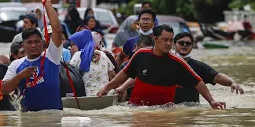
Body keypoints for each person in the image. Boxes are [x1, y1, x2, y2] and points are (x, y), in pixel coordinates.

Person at [97, 24, 226, 109]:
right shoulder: (141, 55)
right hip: (136, 108)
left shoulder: (177, 62)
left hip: (163, 111)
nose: (169, 43)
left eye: (171, 40)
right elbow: (124, 73)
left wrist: (211, 101)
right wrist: (106, 88)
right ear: (155, 39)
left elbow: (198, 82)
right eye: (165, 40)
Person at [2, 0, 63, 112]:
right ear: (23, 45)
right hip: (28, 119)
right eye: (29, 42)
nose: (34, 45)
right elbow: (5, 89)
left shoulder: (51, 56)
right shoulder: (16, 64)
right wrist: (21, 75)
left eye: (37, 42)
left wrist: (47, 3)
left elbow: (57, 30)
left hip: (53, 116)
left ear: (42, 43)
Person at [173, 32, 244, 104]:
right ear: (174, 45)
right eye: (181, 43)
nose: (184, 45)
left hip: (191, 109)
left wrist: (232, 82)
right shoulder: (166, 63)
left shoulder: (198, 66)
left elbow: (217, 77)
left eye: (188, 43)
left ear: (192, 46)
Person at [69, 29, 116, 96]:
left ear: (81, 42)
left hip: (88, 98)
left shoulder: (78, 55)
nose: (71, 48)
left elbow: (69, 77)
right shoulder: (102, 54)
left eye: (73, 45)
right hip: (106, 96)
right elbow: (113, 76)